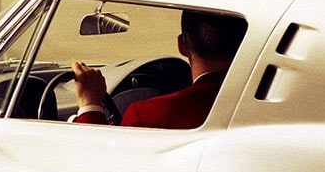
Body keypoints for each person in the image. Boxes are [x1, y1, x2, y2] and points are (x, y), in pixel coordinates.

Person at [71, 10, 247, 129]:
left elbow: (102, 166)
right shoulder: (266, 104)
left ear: (182, 45)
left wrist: (90, 107)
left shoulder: (147, 115)